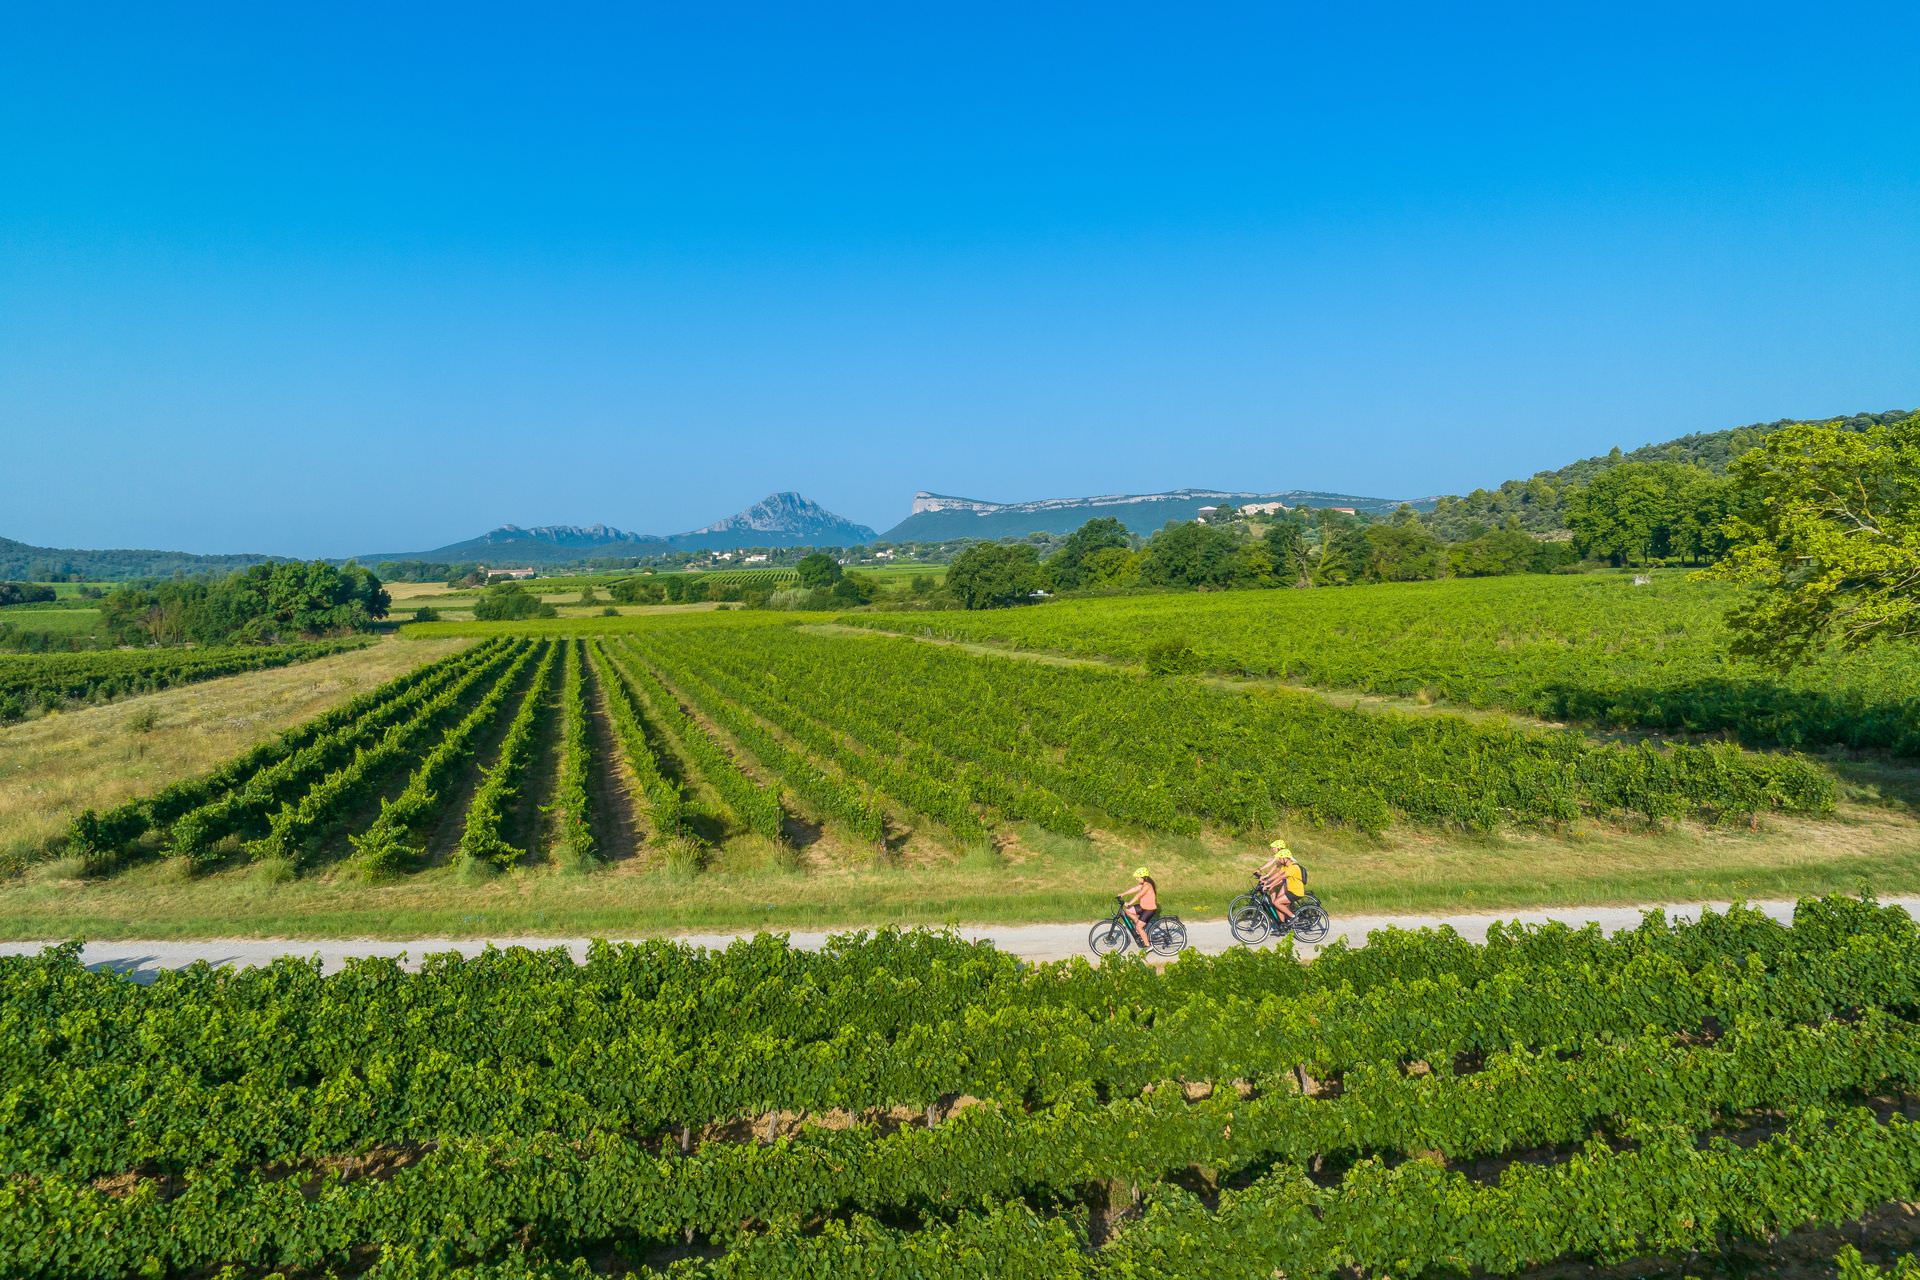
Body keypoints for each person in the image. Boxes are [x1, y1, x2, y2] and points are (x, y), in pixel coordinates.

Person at [1257, 840, 1306, 925]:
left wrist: (1269, 884)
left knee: (1277, 902)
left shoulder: (1292, 867)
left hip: (1295, 891)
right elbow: (1278, 873)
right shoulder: (1286, 865)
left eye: (1280, 859)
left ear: (1285, 858)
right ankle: (1282, 924)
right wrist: (1267, 880)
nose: (1279, 860)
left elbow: (1281, 877)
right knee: (1278, 903)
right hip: (1291, 889)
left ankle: (1293, 917)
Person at [1119, 866, 1158, 946]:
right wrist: (1123, 894)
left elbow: (1138, 895)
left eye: (1138, 878)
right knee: (1128, 910)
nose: (1136, 879)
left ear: (1143, 877)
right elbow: (1134, 889)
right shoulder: (1143, 884)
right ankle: (1139, 926)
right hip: (1143, 907)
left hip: (1149, 909)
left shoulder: (1147, 885)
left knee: (1139, 927)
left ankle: (1148, 946)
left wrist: (1129, 903)